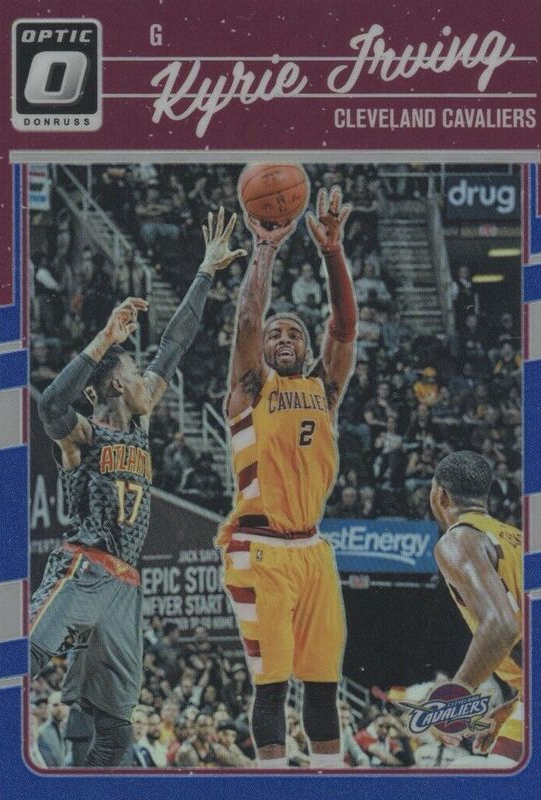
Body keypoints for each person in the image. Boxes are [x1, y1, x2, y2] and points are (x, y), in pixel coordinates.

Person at [30, 208, 246, 767]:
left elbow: (175, 343)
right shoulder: (84, 436)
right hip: (83, 566)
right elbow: (50, 405)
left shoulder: (142, 426)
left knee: (115, 730)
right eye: (137, 373)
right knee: (19, 656)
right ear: (117, 386)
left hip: (125, 584)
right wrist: (105, 338)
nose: (151, 378)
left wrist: (205, 272)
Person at [217, 186, 358, 769]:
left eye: (293, 333)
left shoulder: (324, 390)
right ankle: (274, 781)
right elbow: (249, 318)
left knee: (323, 686)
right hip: (260, 549)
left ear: (305, 347)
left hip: (313, 551)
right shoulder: (250, 389)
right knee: (272, 687)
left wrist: (332, 252)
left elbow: (344, 328)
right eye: (276, 334)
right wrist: (266, 248)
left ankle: (328, 777)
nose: (281, 338)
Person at [430, 450, 523, 765]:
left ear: (440, 495)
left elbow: (502, 626)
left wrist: (456, 696)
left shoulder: (459, 540)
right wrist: (514, 703)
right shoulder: (518, 538)